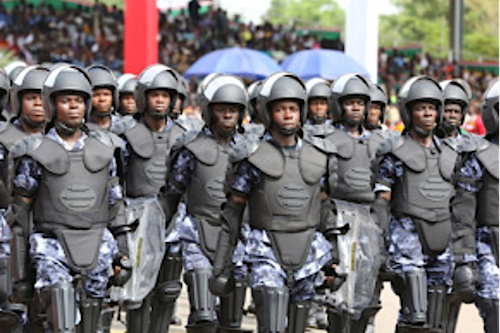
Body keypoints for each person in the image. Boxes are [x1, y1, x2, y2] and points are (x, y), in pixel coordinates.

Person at [209, 72, 339, 333]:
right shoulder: (251, 158)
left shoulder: (320, 156)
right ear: (268, 112)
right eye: (280, 109)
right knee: (272, 320)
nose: (288, 114)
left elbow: (326, 209)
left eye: (293, 108)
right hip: (265, 248)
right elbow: (232, 213)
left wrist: (335, 257)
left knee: (299, 323)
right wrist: (222, 265)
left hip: (308, 248)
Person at [8, 64, 131, 332]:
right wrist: (20, 276)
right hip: (51, 243)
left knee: (91, 320)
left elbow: (115, 203)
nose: (73, 107)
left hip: (97, 242)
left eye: (78, 101)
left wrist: (123, 254)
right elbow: (19, 216)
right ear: (52, 105)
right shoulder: (35, 152)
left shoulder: (105, 149)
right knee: (61, 314)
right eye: (65, 101)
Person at [374, 75, 474, 333]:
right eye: (421, 108)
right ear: (409, 112)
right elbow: (382, 202)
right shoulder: (394, 152)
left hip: (442, 234)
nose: (427, 114)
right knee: (415, 311)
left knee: (436, 315)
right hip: (407, 232)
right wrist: (381, 247)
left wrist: (464, 250)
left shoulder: (452, 155)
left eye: (431, 108)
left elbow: (461, 205)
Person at [160, 73, 250, 333]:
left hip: (236, 237)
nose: (228, 115)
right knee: (203, 314)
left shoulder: (250, 150)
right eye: (222, 110)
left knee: (232, 320)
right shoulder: (191, 149)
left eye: (233, 110)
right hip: (197, 230)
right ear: (209, 112)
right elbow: (172, 194)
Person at [323, 74, 388, 333]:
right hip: (338, 216)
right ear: (339, 105)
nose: (356, 108)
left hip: (369, 220)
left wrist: (379, 225)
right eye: (350, 103)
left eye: (361, 103)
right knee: (339, 288)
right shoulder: (327, 140)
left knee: (366, 288)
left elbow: (384, 191)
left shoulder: (379, 143)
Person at [86, 64, 120, 131]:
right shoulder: (81, 129)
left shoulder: (122, 125)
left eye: (106, 94)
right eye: (96, 95)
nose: (102, 99)